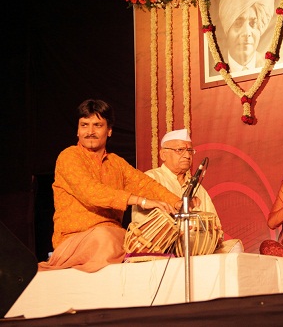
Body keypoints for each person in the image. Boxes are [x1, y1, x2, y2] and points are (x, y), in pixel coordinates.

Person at [38, 99, 186, 273]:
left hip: (113, 237)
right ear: (77, 131)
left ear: (109, 131)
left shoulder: (116, 163)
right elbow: (91, 192)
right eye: (84, 125)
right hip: (74, 240)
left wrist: (178, 203)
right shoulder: (69, 157)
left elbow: (145, 184)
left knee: (145, 240)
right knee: (105, 237)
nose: (90, 132)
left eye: (97, 125)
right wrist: (141, 201)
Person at [132, 129, 243, 253]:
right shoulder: (150, 179)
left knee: (234, 247)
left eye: (190, 151)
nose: (187, 155)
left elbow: (215, 224)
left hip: (197, 249)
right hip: (161, 248)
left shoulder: (197, 188)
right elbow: (141, 222)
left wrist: (214, 234)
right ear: (163, 154)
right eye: (180, 150)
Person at [218, 0, 274, 72]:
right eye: (238, 24)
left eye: (253, 23)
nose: (247, 33)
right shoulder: (215, 70)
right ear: (227, 30)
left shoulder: (272, 66)